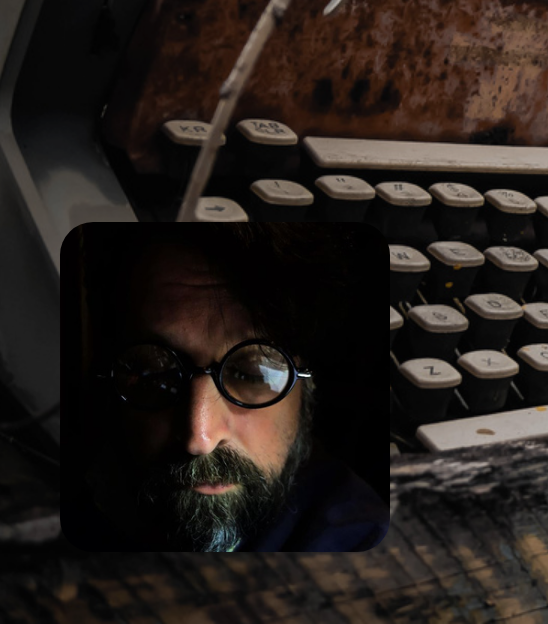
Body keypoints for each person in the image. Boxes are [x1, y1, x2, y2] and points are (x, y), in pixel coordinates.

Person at [63, 223, 389, 552]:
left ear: (308, 386)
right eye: (155, 372)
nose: (199, 439)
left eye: (252, 373)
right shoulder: (75, 499)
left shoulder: (358, 539)